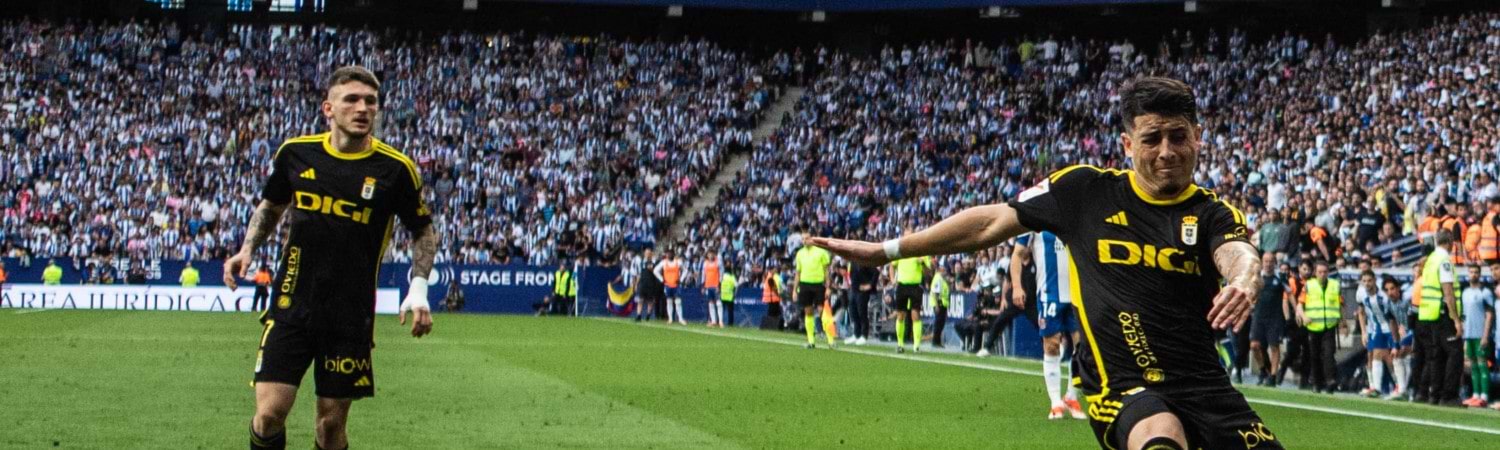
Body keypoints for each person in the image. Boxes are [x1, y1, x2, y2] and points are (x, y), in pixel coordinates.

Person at [809, 77, 1278, 450]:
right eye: (1152, 138)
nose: (1166, 151)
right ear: (1127, 144)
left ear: (1198, 137)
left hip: (1205, 387)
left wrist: (1243, 280)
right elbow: (989, 223)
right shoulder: (1084, 191)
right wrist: (887, 250)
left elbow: (1238, 254)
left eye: (1178, 136)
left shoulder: (1213, 214)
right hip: (1123, 384)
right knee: (1160, 436)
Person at [222, 66, 439, 450]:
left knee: (330, 425)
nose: (363, 108)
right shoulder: (296, 153)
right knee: (269, 414)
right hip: (292, 303)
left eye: (370, 101)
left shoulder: (396, 170)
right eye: (352, 100)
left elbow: (423, 230)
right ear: (329, 108)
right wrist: (247, 248)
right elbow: (272, 205)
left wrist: (418, 288)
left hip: (349, 314)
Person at [1014, 231, 1085, 419]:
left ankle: (1071, 397)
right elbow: (1018, 253)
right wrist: (1017, 287)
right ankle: (1055, 402)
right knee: (1052, 344)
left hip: (1077, 293)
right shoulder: (1036, 222)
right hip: (1049, 294)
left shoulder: (1076, 215)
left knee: (1083, 347)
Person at [1416, 231, 1462, 406]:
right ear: (1450, 242)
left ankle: (1434, 394)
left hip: (1429, 314)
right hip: (1443, 313)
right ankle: (1449, 395)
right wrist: (1456, 319)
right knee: (1455, 353)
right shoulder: (1444, 261)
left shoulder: (1431, 259)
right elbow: (1448, 292)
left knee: (1437, 356)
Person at [1296, 260, 1341, 393]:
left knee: (1329, 353)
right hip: (1313, 325)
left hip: (1329, 325)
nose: (1322, 274)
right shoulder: (1309, 286)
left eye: (1325, 272)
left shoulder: (1335, 285)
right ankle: (1317, 383)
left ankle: (1330, 380)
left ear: (1328, 272)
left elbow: (1340, 304)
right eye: (1320, 272)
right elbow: (1300, 304)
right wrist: (1303, 316)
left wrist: (1343, 322)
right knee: (1314, 355)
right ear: (1315, 273)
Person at [1355, 270, 1397, 398]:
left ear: (1374, 281)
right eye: (1364, 281)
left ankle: (1399, 386)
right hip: (1376, 329)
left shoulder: (1383, 296)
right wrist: (1363, 332)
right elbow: (1361, 312)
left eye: (1369, 281)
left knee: (1392, 359)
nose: (1367, 283)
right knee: (1373, 355)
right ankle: (1375, 387)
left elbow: (1393, 315)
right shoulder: (1361, 293)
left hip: (1390, 328)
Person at [889, 230, 932, 354]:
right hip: (902, 285)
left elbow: (928, 273)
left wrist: (922, 263)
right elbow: (892, 265)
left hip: (915, 286)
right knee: (900, 315)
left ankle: (916, 346)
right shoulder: (900, 251)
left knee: (915, 315)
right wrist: (892, 279)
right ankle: (900, 344)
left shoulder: (921, 252)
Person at [1248, 255, 1286, 387]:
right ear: (1262, 262)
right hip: (1258, 316)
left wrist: (1296, 310)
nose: (1268, 264)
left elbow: (1290, 293)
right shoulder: (1256, 278)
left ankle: (1273, 376)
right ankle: (1263, 370)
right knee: (1254, 346)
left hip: (1274, 318)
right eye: (1266, 261)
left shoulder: (1280, 278)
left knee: (1274, 347)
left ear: (1274, 263)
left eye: (1271, 261)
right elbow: (1251, 296)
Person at [794, 228, 836, 349]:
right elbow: (798, 273)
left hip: (819, 285)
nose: (804, 241)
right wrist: (794, 290)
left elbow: (827, 271)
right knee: (808, 311)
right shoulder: (800, 253)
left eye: (807, 238)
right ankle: (811, 341)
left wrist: (828, 287)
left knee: (823, 311)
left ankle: (831, 340)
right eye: (803, 239)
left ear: (812, 239)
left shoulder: (821, 252)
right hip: (805, 284)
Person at [1459, 265, 1493, 407]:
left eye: (1476, 272)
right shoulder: (1465, 292)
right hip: (1469, 334)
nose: (1473, 274)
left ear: (1480, 274)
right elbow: (1464, 315)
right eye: (1471, 272)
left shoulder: (1485, 292)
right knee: (1472, 364)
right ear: (1468, 274)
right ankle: (1476, 395)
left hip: (1480, 333)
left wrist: (1485, 335)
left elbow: (1489, 314)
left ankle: (1484, 396)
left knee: (1482, 363)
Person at [1385, 277, 1414, 401]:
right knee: (1397, 355)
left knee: (1401, 353)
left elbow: (1415, 318)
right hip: (1404, 332)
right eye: (1387, 290)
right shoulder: (1388, 304)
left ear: (1398, 289)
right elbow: (1392, 323)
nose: (1390, 292)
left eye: (1392, 289)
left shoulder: (1407, 300)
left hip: (1415, 330)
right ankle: (1403, 389)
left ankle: (1403, 389)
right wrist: (1396, 343)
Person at [846, 258, 881, 345]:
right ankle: (856, 334)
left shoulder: (865, 261)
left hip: (862, 292)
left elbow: (876, 272)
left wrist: (870, 285)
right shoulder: (853, 261)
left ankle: (864, 335)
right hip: (853, 289)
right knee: (853, 312)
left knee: (862, 313)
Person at [657, 249, 687, 325]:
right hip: (667, 285)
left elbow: (685, 270)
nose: (669, 255)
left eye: (670, 253)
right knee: (669, 301)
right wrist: (662, 279)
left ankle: (680, 318)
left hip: (676, 285)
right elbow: (655, 270)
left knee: (678, 302)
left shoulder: (678, 262)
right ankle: (670, 318)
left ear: (674, 254)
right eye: (668, 254)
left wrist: (681, 279)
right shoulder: (663, 262)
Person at [929, 262, 952, 349]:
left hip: (943, 303)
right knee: (938, 323)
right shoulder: (938, 278)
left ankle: (938, 341)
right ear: (940, 270)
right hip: (939, 303)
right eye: (944, 270)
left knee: (941, 323)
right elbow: (936, 293)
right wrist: (937, 305)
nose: (946, 272)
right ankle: (935, 341)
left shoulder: (941, 279)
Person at [703, 253, 723, 327]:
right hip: (708, 285)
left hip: (716, 285)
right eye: (709, 254)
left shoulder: (718, 263)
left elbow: (721, 274)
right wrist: (703, 285)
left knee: (718, 303)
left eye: (712, 254)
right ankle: (713, 321)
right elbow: (704, 274)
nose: (710, 256)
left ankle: (720, 321)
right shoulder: (705, 263)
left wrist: (719, 284)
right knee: (711, 303)